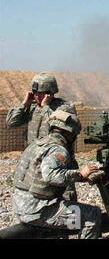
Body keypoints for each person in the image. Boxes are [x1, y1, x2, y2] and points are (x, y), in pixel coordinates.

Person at [12, 110, 102, 239]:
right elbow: (51, 176)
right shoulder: (57, 149)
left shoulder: (38, 144)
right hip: (38, 209)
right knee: (92, 214)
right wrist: (80, 175)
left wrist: (85, 177)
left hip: (20, 204)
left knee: (72, 216)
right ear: (68, 132)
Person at [6, 72, 78, 201]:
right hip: (35, 167)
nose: (35, 96)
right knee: (35, 200)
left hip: (58, 164)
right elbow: (11, 122)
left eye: (38, 93)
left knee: (67, 201)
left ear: (49, 93)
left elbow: (61, 125)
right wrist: (24, 104)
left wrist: (46, 107)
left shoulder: (65, 107)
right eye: (34, 92)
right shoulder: (32, 107)